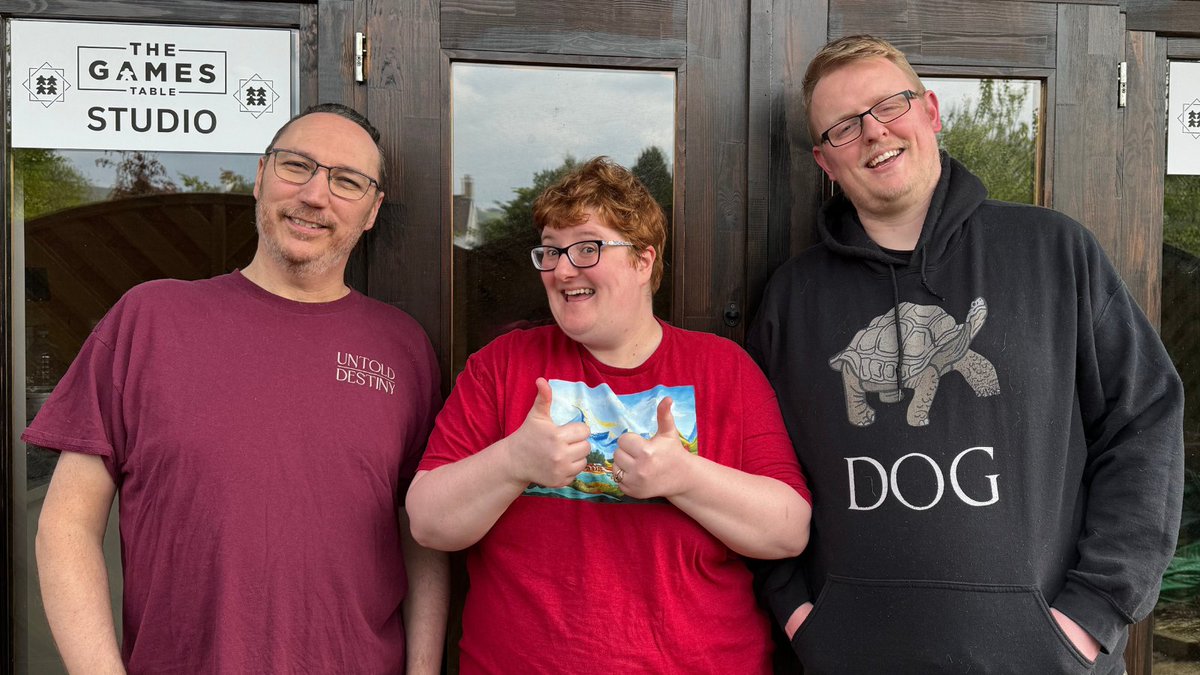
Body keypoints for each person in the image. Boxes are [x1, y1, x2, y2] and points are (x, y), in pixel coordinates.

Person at [747, 35, 1185, 674]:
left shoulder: (1052, 253)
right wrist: (801, 615)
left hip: (1046, 659)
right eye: (844, 127)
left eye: (889, 106)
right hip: (853, 655)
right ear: (825, 161)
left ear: (929, 111)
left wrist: (1091, 615)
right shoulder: (794, 297)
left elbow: (1144, 425)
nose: (873, 133)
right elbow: (756, 466)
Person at [26, 103, 447, 674]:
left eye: (347, 181)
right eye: (297, 166)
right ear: (260, 176)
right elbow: (67, 523)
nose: (316, 196)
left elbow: (420, 532)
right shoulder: (151, 319)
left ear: (371, 212)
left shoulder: (403, 349)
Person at [406, 156, 812, 673]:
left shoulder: (723, 367)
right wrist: (513, 461)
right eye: (550, 251)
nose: (562, 268)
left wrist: (684, 476)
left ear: (644, 261)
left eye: (587, 247)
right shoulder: (502, 364)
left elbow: (787, 530)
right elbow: (428, 522)